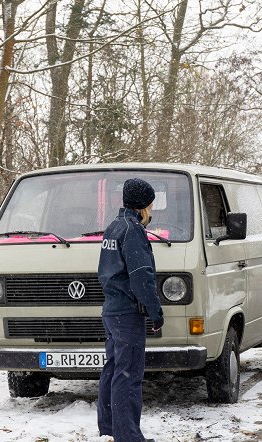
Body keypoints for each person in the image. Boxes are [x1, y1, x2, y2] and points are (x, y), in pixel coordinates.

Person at [97, 178, 164, 442]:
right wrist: (155, 312)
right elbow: (141, 276)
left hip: (112, 311)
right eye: (151, 203)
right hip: (128, 313)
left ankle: (108, 429)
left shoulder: (113, 227)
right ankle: (129, 437)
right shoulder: (133, 230)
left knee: (113, 370)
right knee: (128, 376)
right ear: (144, 205)